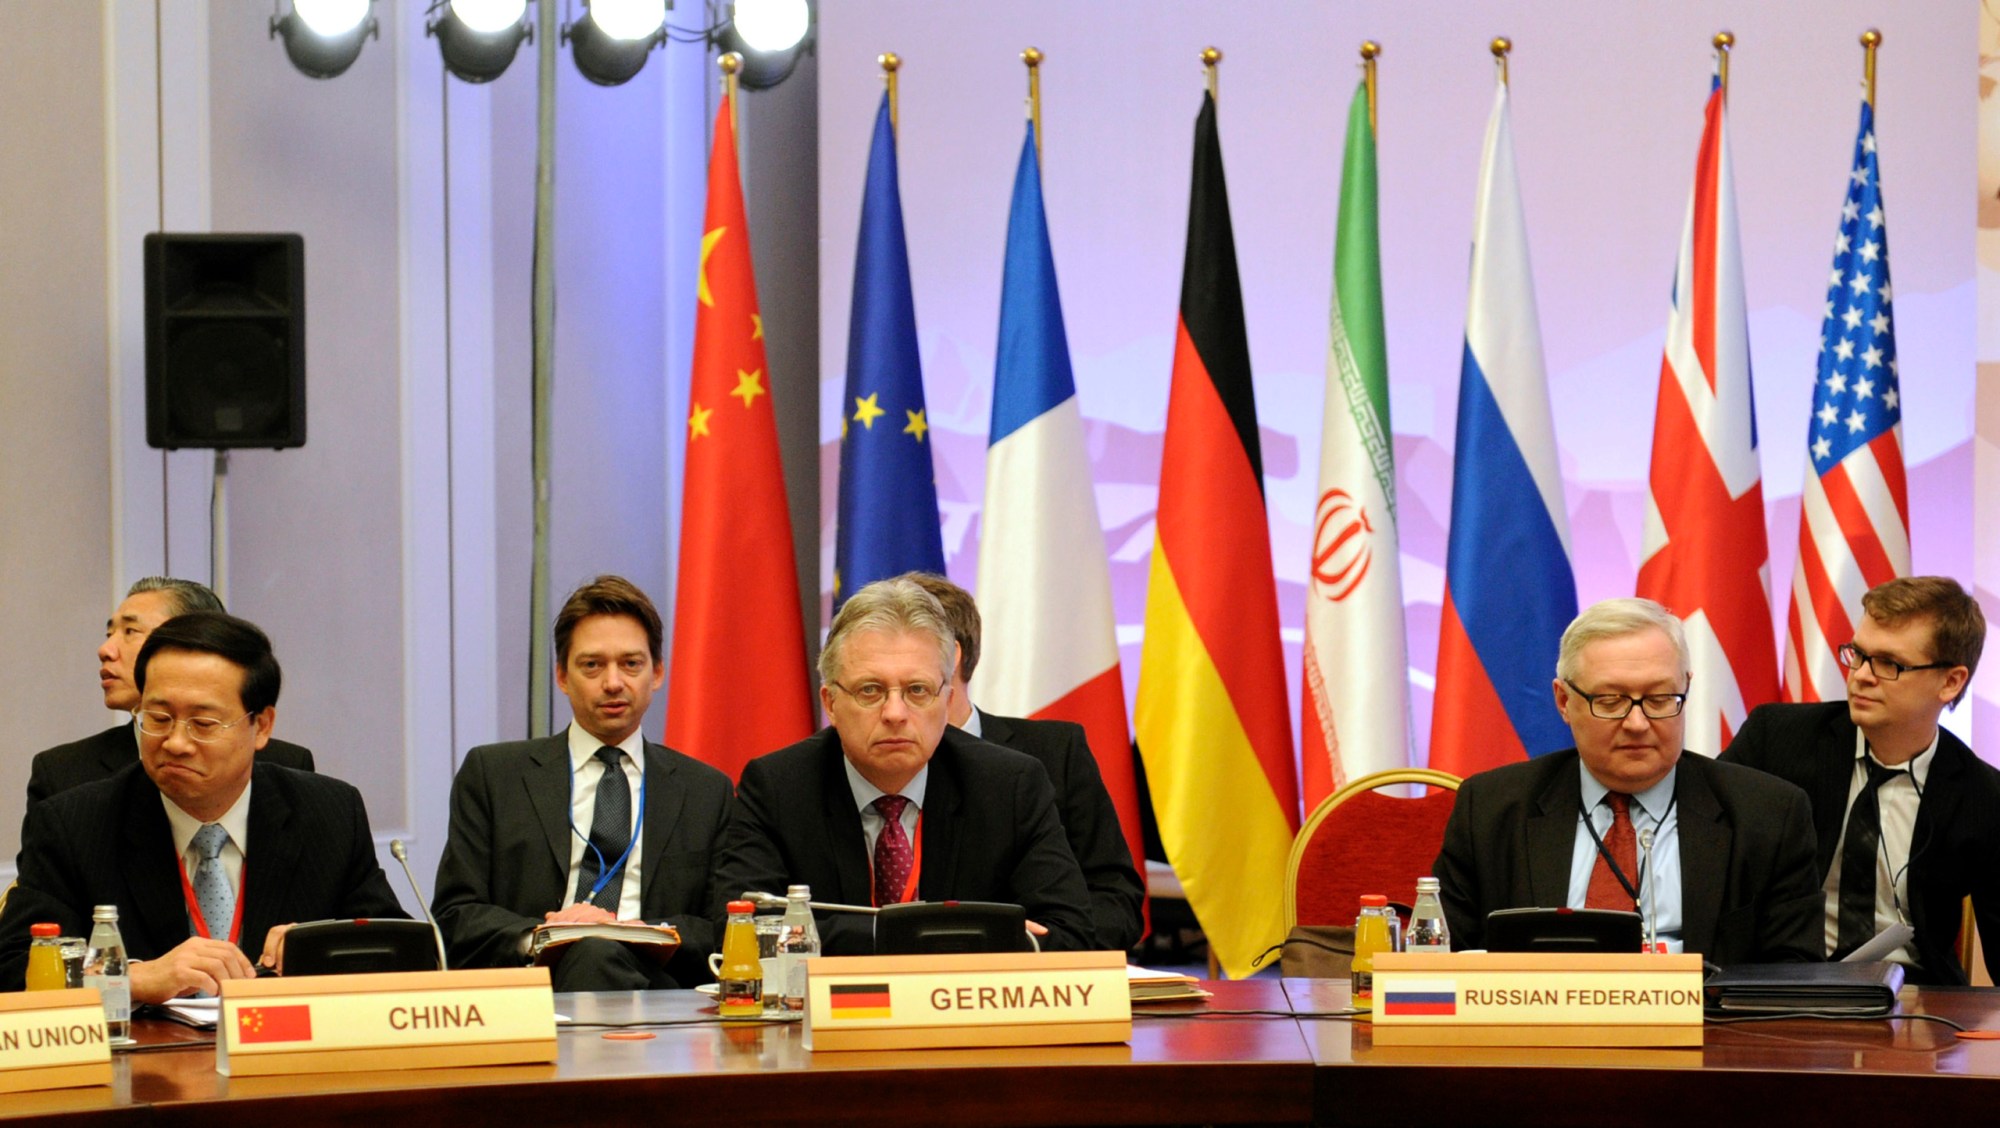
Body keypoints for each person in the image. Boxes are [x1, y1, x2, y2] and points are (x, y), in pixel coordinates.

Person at [0, 612, 404, 998]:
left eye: (203, 724)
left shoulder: (328, 813)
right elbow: (14, 968)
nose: (175, 742)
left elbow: (401, 955)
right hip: (143, 1062)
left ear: (261, 725)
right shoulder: (74, 824)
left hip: (283, 1055)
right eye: (158, 718)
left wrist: (320, 950)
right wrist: (131, 977)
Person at [712, 577, 1096, 956]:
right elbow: (742, 928)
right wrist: (950, 936)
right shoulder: (778, 787)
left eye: (917, 690)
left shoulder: (1009, 785)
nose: (895, 713)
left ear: (946, 700)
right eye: (870, 691)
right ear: (830, 704)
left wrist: (849, 936)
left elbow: (1072, 932)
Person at [1433, 597, 1823, 964]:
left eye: (1659, 699)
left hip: (1707, 1029)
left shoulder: (1769, 814)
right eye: (1611, 701)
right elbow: (1444, 961)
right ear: (1564, 702)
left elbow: (1792, 973)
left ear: (1685, 689)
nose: (1637, 724)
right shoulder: (1490, 808)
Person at [432, 576, 732, 990]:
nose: (613, 682)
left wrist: (630, 931)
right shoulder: (493, 775)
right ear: (561, 675)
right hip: (529, 984)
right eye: (592, 665)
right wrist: (544, 935)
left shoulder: (705, 790)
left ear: (657, 672)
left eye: (631, 664)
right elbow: (455, 914)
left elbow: (727, 926)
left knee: (599, 952)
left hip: (655, 988)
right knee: (590, 952)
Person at [1721, 576, 1997, 984]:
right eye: (1858, 654)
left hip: (1914, 1002)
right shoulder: (1775, 741)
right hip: (1779, 986)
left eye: (1889, 664)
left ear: (1950, 681)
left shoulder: (1983, 795)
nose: (1862, 676)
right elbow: (1701, 848)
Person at [902, 572, 1144, 952]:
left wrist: (1035, 944)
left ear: (950, 658)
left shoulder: (1053, 754)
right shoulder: (845, 764)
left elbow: (1116, 900)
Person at [28, 577, 313, 807]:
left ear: (199, 639)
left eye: (130, 631)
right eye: (109, 634)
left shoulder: (287, 765)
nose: (105, 650)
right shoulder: (62, 774)